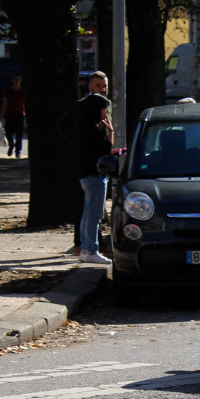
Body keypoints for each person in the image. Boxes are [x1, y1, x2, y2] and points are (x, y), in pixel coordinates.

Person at [73, 71, 113, 264]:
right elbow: (106, 149)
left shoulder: (83, 125)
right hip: (95, 175)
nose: (106, 113)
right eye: (104, 110)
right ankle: (91, 249)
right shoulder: (93, 127)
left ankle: (85, 249)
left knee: (87, 213)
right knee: (94, 215)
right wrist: (110, 131)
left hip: (85, 175)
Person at [0, 74, 27, 157]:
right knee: (8, 133)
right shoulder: (8, 91)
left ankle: (18, 151)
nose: (17, 81)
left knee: (19, 135)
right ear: (13, 80)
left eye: (18, 79)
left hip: (19, 116)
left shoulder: (23, 92)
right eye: (15, 79)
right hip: (10, 115)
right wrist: (0, 116)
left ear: (21, 81)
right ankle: (11, 145)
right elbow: (5, 104)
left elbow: (25, 103)